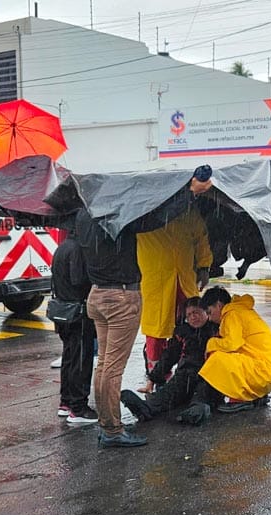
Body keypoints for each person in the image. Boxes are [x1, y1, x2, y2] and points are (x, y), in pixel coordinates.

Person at [76, 174, 214, 449]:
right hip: (121, 296)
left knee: (104, 366)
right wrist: (191, 192)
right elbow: (153, 220)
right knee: (112, 368)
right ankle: (113, 430)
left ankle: (108, 424)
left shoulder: (83, 217)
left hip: (98, 294)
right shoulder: (120, 218)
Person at [137, 205, 213, 393]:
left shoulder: (187, 210)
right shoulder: (143, 209)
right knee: (156, 333)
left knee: (193, 328)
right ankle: (155, 378)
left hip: (184, 281)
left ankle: (190, 371)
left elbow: (201, 237)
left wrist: (204, 267)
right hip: (156, 282)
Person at [120, 297, 219, 422]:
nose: (193, 317)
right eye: (189, 315)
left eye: (196, 312)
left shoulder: (216, 330)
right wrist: (153, 379)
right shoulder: (182, 333)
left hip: (209, 377)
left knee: (202, 395)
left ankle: (198, 410)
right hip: (185, 376)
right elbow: (168, 356)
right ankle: (146, 409)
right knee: (167, 394)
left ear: (206, 312)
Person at [195, 286, 271, 414]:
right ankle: (256, 395)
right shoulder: (242, 310)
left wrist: (211, 343)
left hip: (265, 371)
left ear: (219, 305)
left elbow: (232, 344)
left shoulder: (231, 314)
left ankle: (239, 399)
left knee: (216, 357)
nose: (210, 318)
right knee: (231, 355)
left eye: (210, 312)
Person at [51, 231, 97, 424]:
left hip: (63, 311)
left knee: (70, 357)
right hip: (78, 312)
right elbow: (78, 280)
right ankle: (78, 408)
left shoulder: (62, 248)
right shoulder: (78, 249)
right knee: (80, 359)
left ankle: (66, 402)